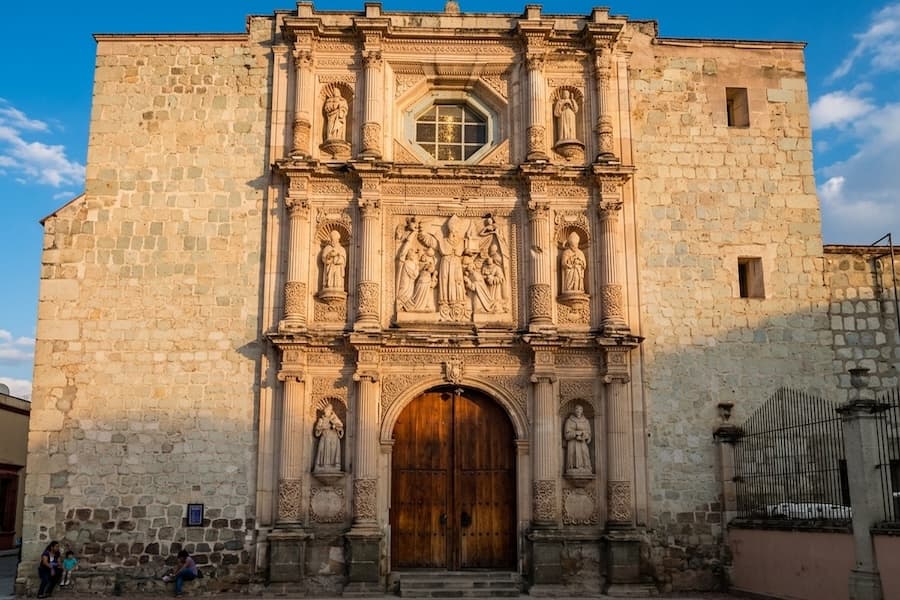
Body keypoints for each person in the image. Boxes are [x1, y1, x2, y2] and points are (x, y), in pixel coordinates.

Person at [314, 403, 344, 472]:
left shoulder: (334, 418)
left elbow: (340, 426)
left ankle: (334, 465)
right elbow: (317, 429)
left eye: (327, 411)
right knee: (322, 450)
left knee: (333, 451)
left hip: (333, 438)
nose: (325, 412)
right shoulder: (321, 419)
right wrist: (323, 427)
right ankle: (321, 465)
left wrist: (335, 426)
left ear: (330, 411)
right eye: (325, 411)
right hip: (324, 437)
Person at [564, 405, 592, 474]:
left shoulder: (586, 421)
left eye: (580, 410)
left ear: (582, 411)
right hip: (572, 443)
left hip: (582, 442)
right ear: (574, 411)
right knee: (573, 455)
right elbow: (566, 435)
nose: (578, 411)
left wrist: (584, 435)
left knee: (584, 454)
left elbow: (589, 434)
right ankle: (572, 467)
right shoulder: (569, 421)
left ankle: (586, 467)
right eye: (576, 409)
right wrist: (575, 434)